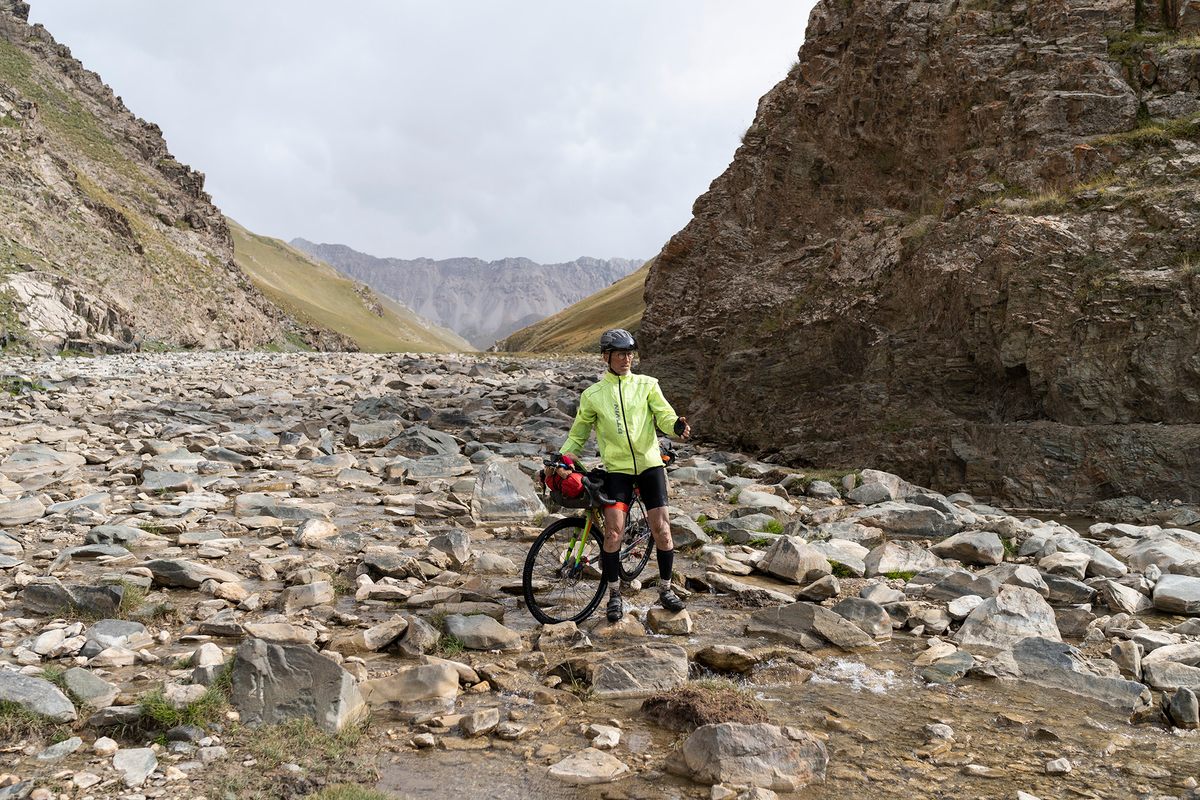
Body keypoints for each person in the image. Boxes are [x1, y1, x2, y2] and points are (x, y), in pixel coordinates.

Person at [557, 328, 691, 622]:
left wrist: (675, 426)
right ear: (606, 357)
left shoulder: (648, 385)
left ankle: (666, 589)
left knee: (662, 530)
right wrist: (563, 458)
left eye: (629, 353)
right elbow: (578, 435)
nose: (626, 358)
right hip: (617, 472)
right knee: (614, 532)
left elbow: (665, 416)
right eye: (620, 354)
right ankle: (614, 594)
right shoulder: (592, 395)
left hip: (650, 467)